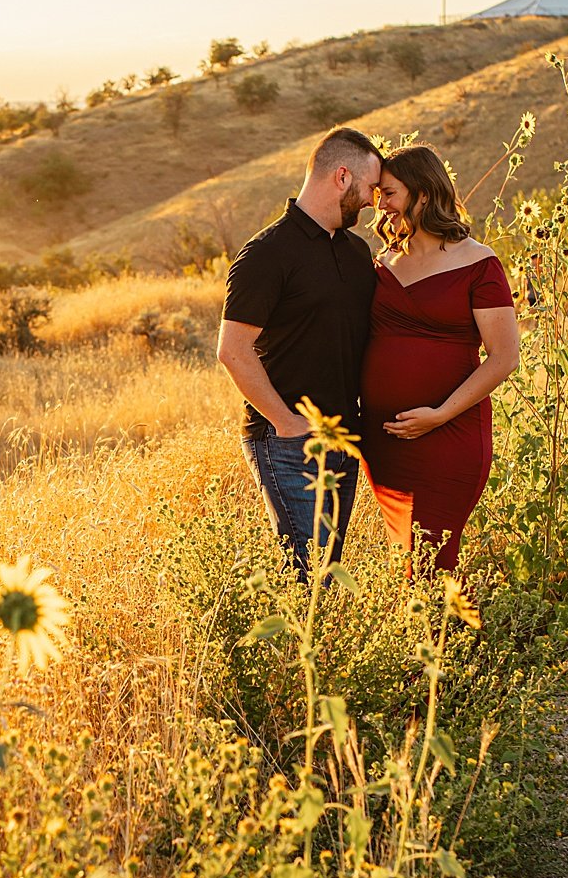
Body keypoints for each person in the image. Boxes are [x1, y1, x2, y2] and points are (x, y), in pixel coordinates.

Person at [216, 127, 384, 580]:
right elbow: (232, 351)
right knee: (305, 576)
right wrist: (286, 422)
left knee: (325, 572)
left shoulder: (355, 252)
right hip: (288, 441)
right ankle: (294, 654)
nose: (373, 201)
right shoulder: (267, 253)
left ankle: (321, 654)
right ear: (342, 177)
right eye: (370, 187)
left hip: (345, 438)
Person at [361, 143, 521, 572]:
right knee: (408, 560)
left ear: (424, 193)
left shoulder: (479, 263)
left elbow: (504, 357)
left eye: (390, 193)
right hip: (385, 441)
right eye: (379, 195)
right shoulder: (380, 264)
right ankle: (425, 640)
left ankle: (450, 639)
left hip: (449, 435)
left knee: (435, 559)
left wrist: (439, 414)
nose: (382, 206)